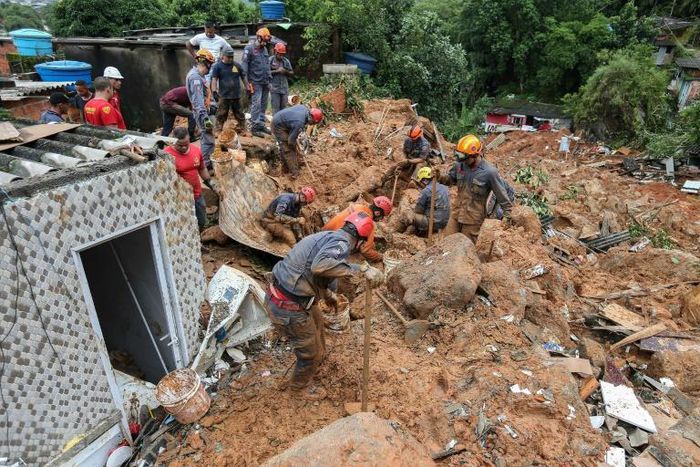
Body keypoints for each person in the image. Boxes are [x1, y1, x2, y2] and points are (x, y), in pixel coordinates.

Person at [265, 211, 385, 391]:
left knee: (319, 324)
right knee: (310, 354)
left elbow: (314, 271)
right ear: (360, 241)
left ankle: (317, 363)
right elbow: (319, 266)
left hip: (290, 296)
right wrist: (362, 269)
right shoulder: (342, 243)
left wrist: (329, 296)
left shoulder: (327, 237)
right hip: (287, 305)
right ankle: (298, 389)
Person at [440, 134, 512, 242]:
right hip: (456, 213)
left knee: (465, 248)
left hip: (473, 219)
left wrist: (507, 215)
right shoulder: (460, 165)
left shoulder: (489, 172)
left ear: (475, 155)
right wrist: (439, 177)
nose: (462, 161)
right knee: (446, 243)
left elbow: (501, 195)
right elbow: (450, 180)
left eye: (465, 158)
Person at [164, 127, 217, 230]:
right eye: (180, 145)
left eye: (186, 144)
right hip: (179, 196)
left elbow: (202, 169)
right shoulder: (167, 155)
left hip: (196, 193)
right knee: (184, 222)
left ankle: (200, 236)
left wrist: (212, 184)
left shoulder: (196, 150)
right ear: (173, 141)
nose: (184, 148)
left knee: (201, 220)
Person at [322, 196, 392, 262]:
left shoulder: (357, 206)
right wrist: (380, 256)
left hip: (323, 235)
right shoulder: (368, 222)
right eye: (382, 216)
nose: (381, 219)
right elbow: (366, 250)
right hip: (335, 245)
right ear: (378, 213)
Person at [270, 105, 323, 176]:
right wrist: (298, 150)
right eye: (313, 123)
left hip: (283, 121)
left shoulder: (304, 109)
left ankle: (285, 169)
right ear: (311, 118)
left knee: (288, 147)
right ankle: (294, 173)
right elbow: (290, 141)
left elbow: (293, 128)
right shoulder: (299, 122)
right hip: (278, 126)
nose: (312, 124)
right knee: (288, 149)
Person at [399, 167, 450, 236]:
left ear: (424, 180)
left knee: (407, 213)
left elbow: (418, 210)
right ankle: (417, 231)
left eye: (420, 182)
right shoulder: (445, 188)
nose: (420, 184)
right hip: (444, 222)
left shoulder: (426, 190)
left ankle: (399, 233)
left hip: (433, 223)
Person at [187, 49, 216, 169]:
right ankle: (206, 166)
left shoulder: (198, 75)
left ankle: (207, 164)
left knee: (207, 138)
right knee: (208, 140)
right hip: (202, 114)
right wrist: (205, 119)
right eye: (210, 64)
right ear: (207, 63)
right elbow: (198, 102)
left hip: (204, 111)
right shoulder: (195, 78)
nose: (210, 67)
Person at [242, 27, 273, 137]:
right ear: (259, 38)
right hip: (255, 82)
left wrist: (269, 81)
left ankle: (261, 124)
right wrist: (246, 83)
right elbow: (244, 68)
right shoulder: (249, 49)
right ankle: (255, 127)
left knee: (264, 104)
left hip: (265, 82)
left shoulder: (264, 49)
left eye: (267, 41)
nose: (265, 43)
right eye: (264, 41)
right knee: (256, 104)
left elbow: (267, 66)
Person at [211, 45, 247, 132]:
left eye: (232, 57)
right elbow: (214, 79)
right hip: (224, 95)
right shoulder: (218, 66)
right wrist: (214, 91)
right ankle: (218, 130)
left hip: (236, 95)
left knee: (239, 113)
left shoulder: (236, 65)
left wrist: (248, 87)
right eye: (228, 57)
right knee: (221, 114)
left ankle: (243, 128)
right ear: (223, 56)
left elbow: (243, 76)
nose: (231, 59)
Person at [269, 42, 293, 114]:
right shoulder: (270, 60)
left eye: (283, 54)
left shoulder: (286, 61)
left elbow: (292, 73)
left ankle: (282, 125)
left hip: (284, 89)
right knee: (275, 110)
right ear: (275, 52)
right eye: (280, 54)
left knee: (284, 110)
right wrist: (277, 71)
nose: (281, 56)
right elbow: (266, 73)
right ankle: (275, 124)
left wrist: (285, 71)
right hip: (274, 89)